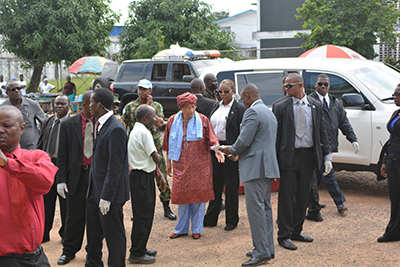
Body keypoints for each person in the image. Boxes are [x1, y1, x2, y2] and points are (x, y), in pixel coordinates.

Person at [220, 83, 279, 267]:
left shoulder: (252, 112)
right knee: (265, 208)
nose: (241, 102)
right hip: (266, 166)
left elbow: (243, 141)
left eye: (242, 98)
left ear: (246, 95)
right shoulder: (268, 111)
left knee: (256, 211)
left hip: (255, 167)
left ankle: (261, 252)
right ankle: (266, 248)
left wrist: (227, 149)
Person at [273, 73, 332, 251]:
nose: (286, 89)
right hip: (288, 157)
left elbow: (322, 131)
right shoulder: (280, 106)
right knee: (286, 197)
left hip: (308, 157)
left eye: (289, 86)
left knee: (303, 196)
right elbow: (276, 136)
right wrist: (274, 160)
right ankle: (284, 235)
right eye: (285, 86)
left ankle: (296, 231)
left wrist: (327, 156)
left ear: (300, 85)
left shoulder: (315, 105)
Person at [0, 105, 58, 266]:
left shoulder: (35, 157)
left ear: (22, 128)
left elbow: (44, 182)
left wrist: (8, 164)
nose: (0, 130)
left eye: (6, 125)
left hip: (32, 259)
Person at [163, 92, 223, 240]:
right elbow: (168, 144)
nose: (191, 110)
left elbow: (212, 139)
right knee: (182, 198)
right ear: (181, 108)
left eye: (193, 106)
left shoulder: (203, 120)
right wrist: (168, 163)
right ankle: (181, 228)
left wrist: (217, 151)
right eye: (187, 107)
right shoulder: (172, 121)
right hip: (180, 165)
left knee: (199, 197)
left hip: (200, 165)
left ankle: (197, 228)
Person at [306, 74, 359, 222]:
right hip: (316, 146)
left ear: (329, 86)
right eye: (320, 84)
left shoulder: (335, 103)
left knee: (315, 176)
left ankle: (311, 204)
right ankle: (339, 203)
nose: (323, 87)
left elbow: (344, 123)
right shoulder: (310, 102)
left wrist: (353, 139)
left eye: (326, 84)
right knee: (327, 175)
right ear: (315, 85)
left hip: (329, 145)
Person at [86, 88, 129, 267]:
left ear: (98, 105)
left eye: (91, 102)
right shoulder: (100, 123)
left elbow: (115, 166)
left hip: (108, 195)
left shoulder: (116, 128)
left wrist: (106, 197)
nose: (88, 106)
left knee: (114, 238)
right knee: (94, 234)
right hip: (95, 190)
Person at [122, 79, 176, 220]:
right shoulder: (130, 107)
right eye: (140, 88)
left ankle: (166, 206)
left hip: (154, 145)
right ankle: (137, 210)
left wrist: (149, 106)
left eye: (145, 89)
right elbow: (124, 124)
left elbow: (159, 124)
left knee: (161, 174)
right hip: (138, 147)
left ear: (150, 91)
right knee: (138, 179)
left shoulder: (157, 106)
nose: (142, 91)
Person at [56, 90, 95, 265]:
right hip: (76, 177)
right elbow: (62, 155)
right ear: (84, 104)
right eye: (93, 103)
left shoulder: (101, 123)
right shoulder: (68, 124)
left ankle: (93, 252)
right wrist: (61, 179)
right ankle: (69, 250)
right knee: (74, 216)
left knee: (94, 217)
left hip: (95, 176)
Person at [128, 105, 167, 264]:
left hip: (140, 176)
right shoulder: (144, 133)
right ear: (145, 118)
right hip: (142, 177)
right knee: (143, 216)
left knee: (142, 215)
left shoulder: (136, 130)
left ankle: (140, 248)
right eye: (153, 116)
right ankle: (137, 252)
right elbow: (156, 157)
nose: (155, 118)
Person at [204, 79, 245, 231]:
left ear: (233, 91)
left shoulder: (239, 108)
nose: (222, 94)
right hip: (215, 150)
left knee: (231, 186)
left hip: (230, 151)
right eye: (219, 92)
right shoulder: (215, 106)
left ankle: (231, 220)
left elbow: (242, 133)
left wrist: (237, 152)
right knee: (215, 185)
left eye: (226, 91)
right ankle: (211, 218)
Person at [37, 95, 70, 243]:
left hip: (64, 167)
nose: (59, 106)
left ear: (69, 106)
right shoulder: (48, 121)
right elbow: (41, 143)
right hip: (48, 166)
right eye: (57, 104)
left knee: (65, 203)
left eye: (63, 104)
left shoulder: (71, 123)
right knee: (46, 201)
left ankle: (66, 234)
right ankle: (44, 233)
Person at [378, 83, 400, 243]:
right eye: (394, 94)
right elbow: (392, 138)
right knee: (395, 198)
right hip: (392, 161)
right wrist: (385, 161)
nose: (395, 97)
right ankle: (393, 232)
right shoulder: (396, 113)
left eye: (398, 94)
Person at [0, 81, 45, 149]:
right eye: (13, 89)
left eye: (19, 88)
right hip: (10, 149)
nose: (17, 91)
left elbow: (45, 123)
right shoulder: (3, 108)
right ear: (7, 93)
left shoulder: (33, 105)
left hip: (31, 148)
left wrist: (42, 141)